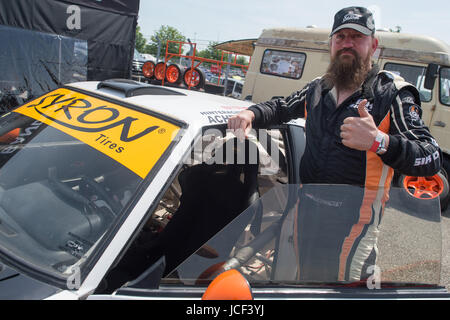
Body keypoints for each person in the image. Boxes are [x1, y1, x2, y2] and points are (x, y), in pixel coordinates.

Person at [228, 6, 442, 282]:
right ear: (331, 44)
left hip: (353, 228)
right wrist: (251, 113)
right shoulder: (318, 88)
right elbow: (281, 107)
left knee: (344, 294)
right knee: (304, 285)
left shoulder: (392, 95)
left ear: (374, 45)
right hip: (305, 218)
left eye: (357, 37)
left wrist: (379, 141)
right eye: (340, 37)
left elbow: (431, 156)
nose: (347, 44)